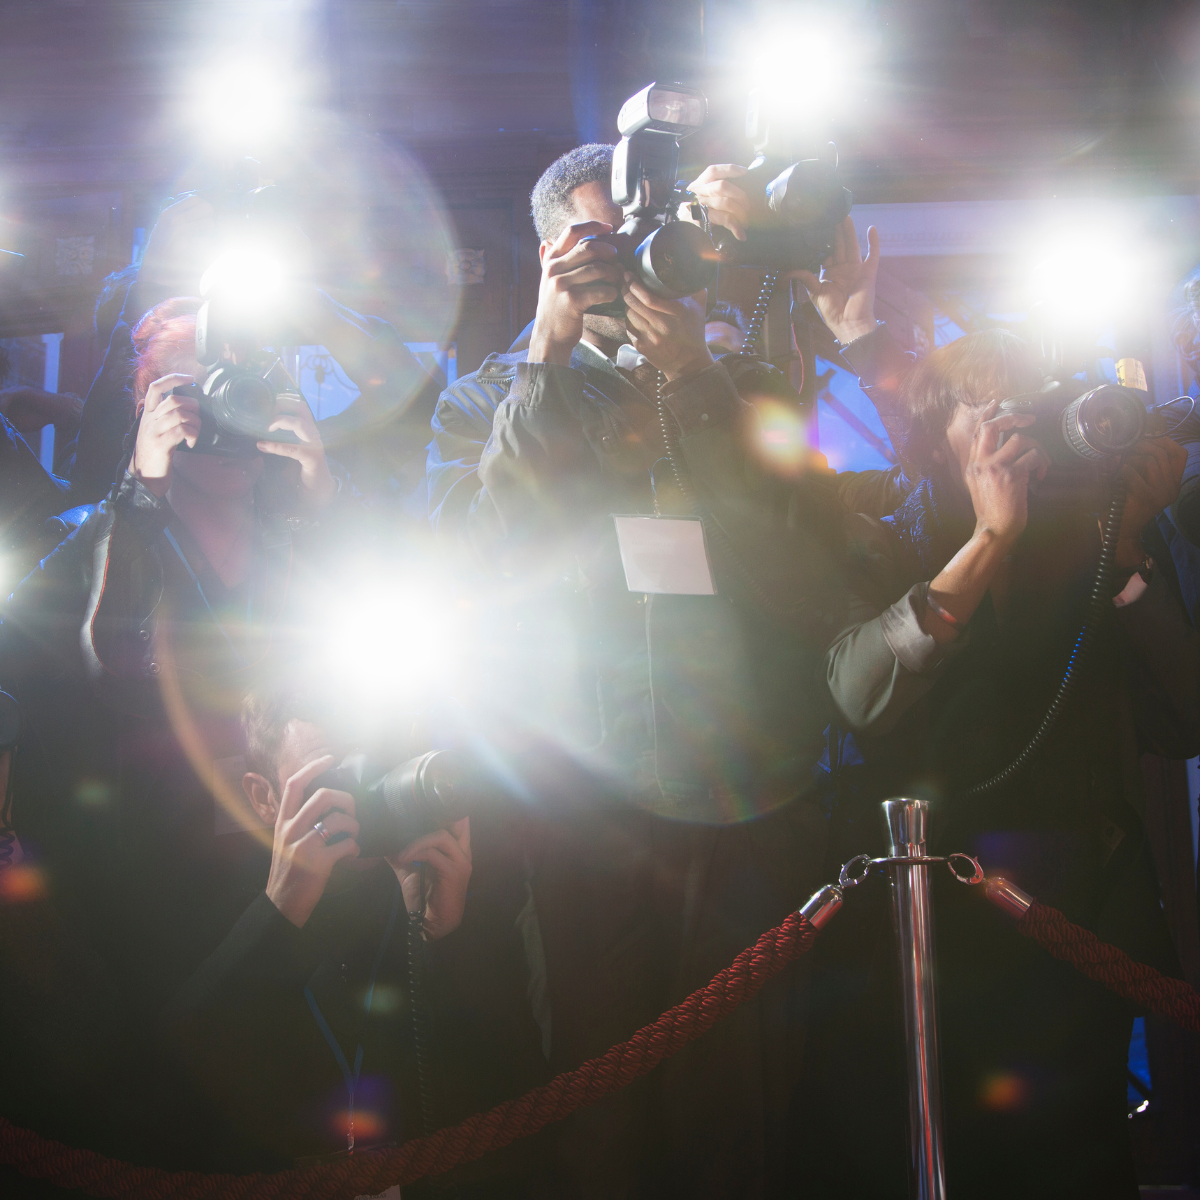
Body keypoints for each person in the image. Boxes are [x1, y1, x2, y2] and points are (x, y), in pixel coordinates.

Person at [427, 142, 848, 1198]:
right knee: (595, 1114)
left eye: (647, 232)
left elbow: (805, 580)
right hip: (578, 808)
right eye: (600, 241)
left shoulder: (745, 386)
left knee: (735, 1114)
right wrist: (549, 356)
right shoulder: (486, 402)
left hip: (740, 802)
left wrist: (695, 384)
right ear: (548, 253)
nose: (631, 262)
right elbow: (475, 572)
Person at [796, 303, 1199, 1198]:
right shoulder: (887, 530)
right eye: (983, 409)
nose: (1009, 426)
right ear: (934, 440)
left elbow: (1187, 718)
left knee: (1082, 1148)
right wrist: (987, 541)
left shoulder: (1093, 541)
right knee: (954, 1150)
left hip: (1079, 913)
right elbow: (859, 694)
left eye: (1024, 405)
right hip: (936, 921)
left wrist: (1130, 546)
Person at [159, 680, 554, 1194]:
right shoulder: (213, 899)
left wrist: (444, 938)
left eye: (373, 770)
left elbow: (520, 1114)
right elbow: (169, 1089)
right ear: (263, 797)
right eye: (331, 779)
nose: (357, 801)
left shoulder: (441, 885)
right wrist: (278, 913)